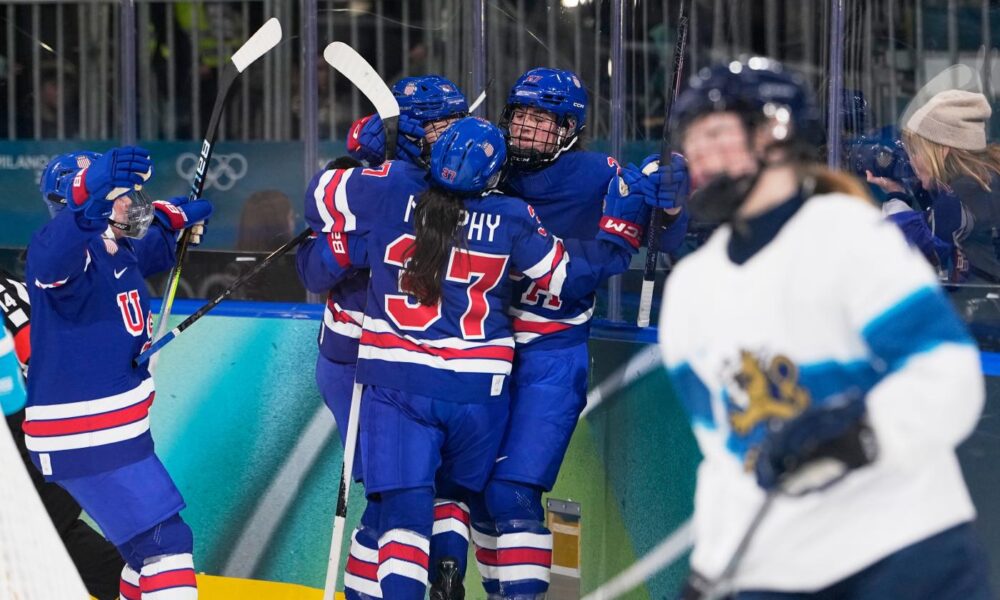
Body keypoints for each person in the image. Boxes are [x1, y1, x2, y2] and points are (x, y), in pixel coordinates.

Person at [658, 57, 991, 599]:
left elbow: (948, 374)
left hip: (905, 553)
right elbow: (727, 457)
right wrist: (712, 569)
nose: (699, 153)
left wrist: (860, 433)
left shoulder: (851, 237)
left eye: (717, 134)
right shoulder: (690, 290)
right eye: (693, 139)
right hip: (781, 571)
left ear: (774, 135)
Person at [302, 116, 653, 599]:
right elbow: (568, 277)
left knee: (400, 512)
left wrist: (372, 161)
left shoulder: (393, 187)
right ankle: (450, 563)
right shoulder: (511, 215)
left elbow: (318, 198)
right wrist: (620, 232)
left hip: (400, 380)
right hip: (480, 391)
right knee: (457, 495)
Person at [468, 67, 689, 599]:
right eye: (519, 115)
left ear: (568, 128)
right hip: (475, 352)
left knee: (511, 495)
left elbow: (664, 234)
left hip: (550, 355)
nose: (524, 128)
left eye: (540, 119)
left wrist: (672, 200)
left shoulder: (597, 174)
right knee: (472, 494)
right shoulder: (485, 166)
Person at [302, 74, 474, 600]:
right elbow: (312, 270)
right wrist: (358, 246)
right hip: (356, 360)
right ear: (410, 127)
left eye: (456, 122)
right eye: (441, 124)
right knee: (391, 494)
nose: (453, 134)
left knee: (432, 488)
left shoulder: (462, 175)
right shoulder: (366, 177)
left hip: (427, 363)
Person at [26, 147, 213, 600]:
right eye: (120, 195)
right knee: (167, 546)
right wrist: (88, 197)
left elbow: (156, 240)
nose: (131, 203)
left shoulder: (117, 247)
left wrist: (176, 219)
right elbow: (52, 259)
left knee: (143, 556)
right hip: (86, 432)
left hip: (113, 433)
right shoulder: (63, 250)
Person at [1, 266, 125, 600]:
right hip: (60, 431)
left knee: (46, 538)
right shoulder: (22, 286)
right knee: (55, 538)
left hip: (30, 437)